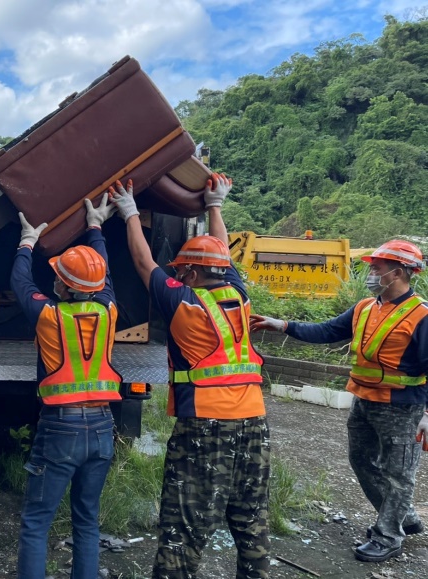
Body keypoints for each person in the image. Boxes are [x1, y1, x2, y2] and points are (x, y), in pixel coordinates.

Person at [110, 174, 270, 579]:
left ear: (193, 276)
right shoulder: (239, 295)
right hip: (254, 423)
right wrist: (215, 205)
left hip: (204, 426)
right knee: (251, 520)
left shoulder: (184, 304)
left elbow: (144, 263)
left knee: (184, 526)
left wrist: (129, 213)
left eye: (182, 272)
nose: (177, 277)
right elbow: (223, 256)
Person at [250, 239, 428, 563]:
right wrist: (284, 325)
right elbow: (327, 330)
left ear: (398, 272)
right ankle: (401, 516)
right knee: (360, 460)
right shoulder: (364, 307)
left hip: (403, 408)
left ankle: (389, 536)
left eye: (377, 267)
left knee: (398, 473)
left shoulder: (421, 316)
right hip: (364, 400)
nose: (371, 272)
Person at [12, 195, 122, 579]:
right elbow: (103, 276)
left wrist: (27, 241)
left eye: (58, 275)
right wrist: (96, 227)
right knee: (87, 521)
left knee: (37, 522)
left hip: (61, 428)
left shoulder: (48, 315)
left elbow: (20, 282)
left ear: (62, 283)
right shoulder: (108, 310)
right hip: (103, 428)